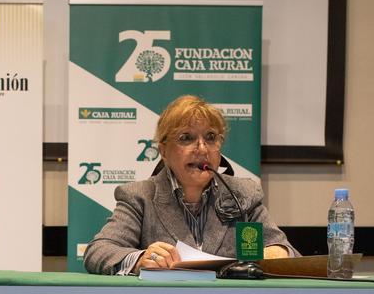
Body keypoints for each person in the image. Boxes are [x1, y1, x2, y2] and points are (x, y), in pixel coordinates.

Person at [83, 95, 296, 275]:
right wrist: (140, 260)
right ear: (163, 151)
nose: (202, 148)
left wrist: (275, 254)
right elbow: (98, 251)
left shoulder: (243, 194)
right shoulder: (140, 197)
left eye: (210, 137)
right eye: (186, 138)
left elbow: (287, 251)